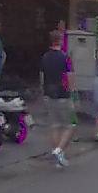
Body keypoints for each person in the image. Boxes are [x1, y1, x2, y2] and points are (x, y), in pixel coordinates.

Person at [40, 32, 76, 168]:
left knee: (55, 125)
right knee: (70, 125)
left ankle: (58, 156)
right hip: (63, 95)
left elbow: (41, 77)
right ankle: (59, 150)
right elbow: (70, 77)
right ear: (60, 41)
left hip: (49, 94)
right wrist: (73, 93)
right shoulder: (66, 58)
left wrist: (43, 91)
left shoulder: (45, 57)